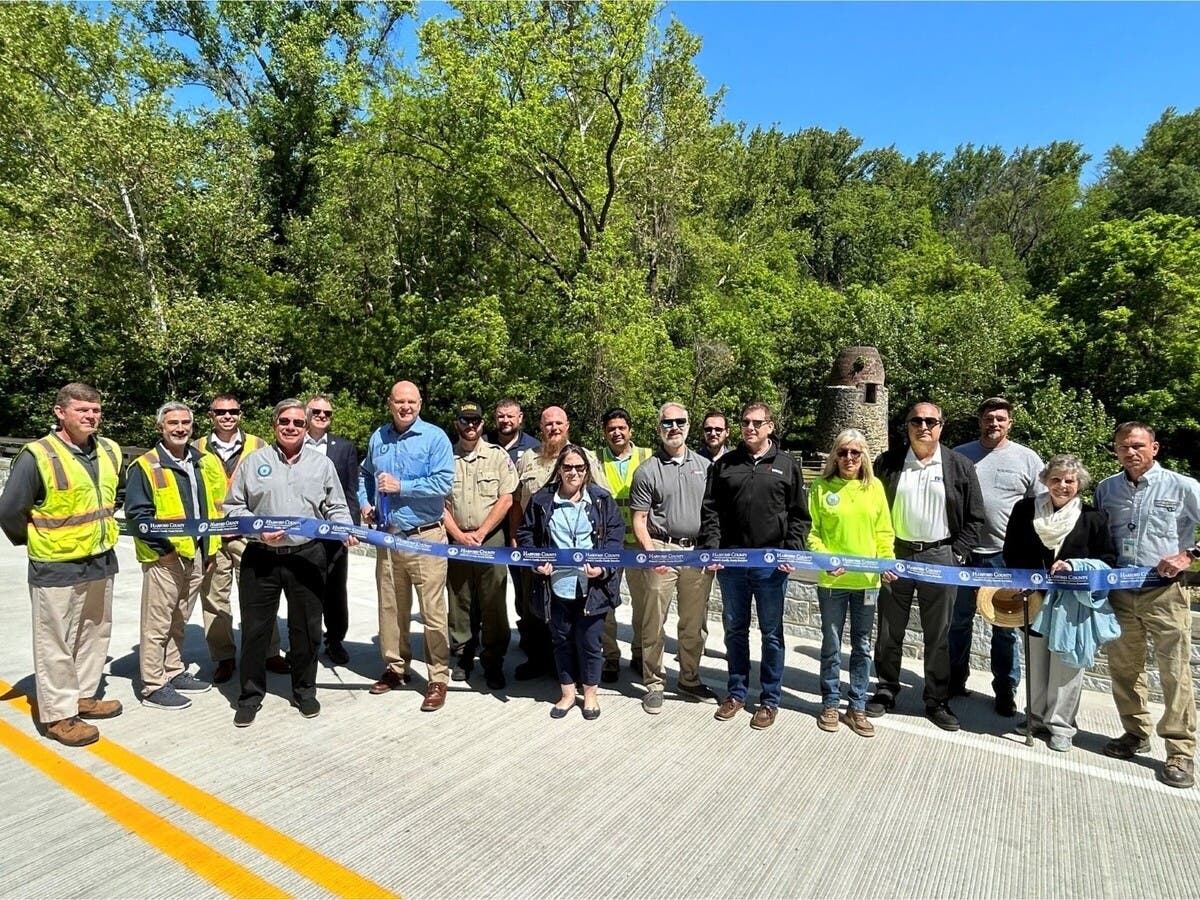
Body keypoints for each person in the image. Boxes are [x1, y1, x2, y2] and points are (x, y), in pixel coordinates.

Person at [0, 383, 123, 746]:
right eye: (82, 410)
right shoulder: (37, 455)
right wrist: (35, 541)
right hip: (56, 565)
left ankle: (83, 697)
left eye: (96, 410)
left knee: (93, 633)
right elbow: (9, 511)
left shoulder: (110, 451)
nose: (90, 416)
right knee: (55, 641)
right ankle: (58, 715)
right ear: (60, 412)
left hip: (101, 559)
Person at [224, 399, 356, 726]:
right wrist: (258, 531)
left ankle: (305, 690)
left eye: (298, 422)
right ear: (275, 424)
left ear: (307, 425)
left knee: (307, 630)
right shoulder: (254, 462)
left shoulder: (320, 464)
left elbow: (336, 506)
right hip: (261, 557)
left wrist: (344, 529)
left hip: (307, 556)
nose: (291, 427)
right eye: (285, 421)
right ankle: (250, 696)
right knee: (256, 630)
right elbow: (232, 509)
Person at [1095, 422, 1200, 789]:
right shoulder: (1106, 489)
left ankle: (1180, 751)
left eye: (1138, 445)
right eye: (1123, 447)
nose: (1130, 452)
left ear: (1155, 448)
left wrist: (1189, 555)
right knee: (1124, 667)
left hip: (1166, 592)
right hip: (1122, 591)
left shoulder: (1184, 486)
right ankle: (1135, 732)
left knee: (1174, 671)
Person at [868, 402, 985, 732]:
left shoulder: (959, 465)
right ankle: (886, 689)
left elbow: (975, 518)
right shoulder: (888, 463)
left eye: (930, 421)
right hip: (897, 555)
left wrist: (957, 554)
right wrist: (881, 553)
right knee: (890, 630)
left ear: (941, 426)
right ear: (906, 426)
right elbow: (874, 508)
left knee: (939, 635)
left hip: (939, 558)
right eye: (916, 420)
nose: (924, 426)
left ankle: (936, 700)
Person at [698, 401, 810, 730]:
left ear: (770, 427)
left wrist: (791, 551)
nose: (750, 428)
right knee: (734, 631)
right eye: (745, 422)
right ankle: (736, 693)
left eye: (757, 423)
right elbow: (711, 511)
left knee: (771, 634)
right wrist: (713, 549)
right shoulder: (725, 464)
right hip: (732, 565)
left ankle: (770, 699)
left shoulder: (787, 465)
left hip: (770, 566)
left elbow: (799, 517)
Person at [1002, 454, 1117, 752]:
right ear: (1045, 480)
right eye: (1056, 479)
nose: (1062, 485)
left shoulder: (1093, 518)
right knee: (1036, 661)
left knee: (1067, 666)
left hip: (1071, 605)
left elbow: (1107, 561)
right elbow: (1011, 551)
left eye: (1069, 480)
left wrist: (1075, 566)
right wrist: (1023, 581)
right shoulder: (1026, 509)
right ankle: (1036, 717)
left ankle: (1062, 725)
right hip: (1034, 598)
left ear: (1079, 484)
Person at [359, 380, 455, 712]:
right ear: (390, 403)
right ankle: (396, 668)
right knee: (391, 608)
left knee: (432, 612)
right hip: (387, 537)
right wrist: (364, 503)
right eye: (400, 401)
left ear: (420, 403)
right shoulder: (378, 438)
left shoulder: (435, 437)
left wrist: (404, 486)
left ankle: (438, 676)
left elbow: (444, 481)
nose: (406, 407)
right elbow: (365, 475)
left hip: (426, 537)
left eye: (411, 402)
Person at [125, 402, 227, 710]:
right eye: (173, 423)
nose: (180, 428)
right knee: (157, 622)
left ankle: (173, 669)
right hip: (165, 557)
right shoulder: (145, 466)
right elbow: (138, 516)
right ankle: (154, 685)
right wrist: (164, 552)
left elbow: (210, 508)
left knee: (180, 617)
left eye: (185, 422)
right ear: (161, 427)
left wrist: (209, 548)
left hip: (196, 552)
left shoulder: (200, 461)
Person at [950, 397, 1044, 715]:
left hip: (1004, 558)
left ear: (1010, 423)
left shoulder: (1027, 459)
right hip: (964, 553)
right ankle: (954, 680)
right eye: (989, 417)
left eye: (1001, 419)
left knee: (1004, 628)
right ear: (980, 421)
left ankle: (1005, 689)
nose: (995, 423)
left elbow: (1040, 509)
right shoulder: (959, 455)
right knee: (958, 622)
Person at [517, 444, 624, 720]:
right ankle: (566, 693)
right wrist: (536, 561)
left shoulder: (601, 500)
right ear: (559, 470)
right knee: (561, 640)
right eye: (567, 467)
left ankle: (590, 694)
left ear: (587, 471)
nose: (573, 472)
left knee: (590, 642)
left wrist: (601, 567)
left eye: (579, 467)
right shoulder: (542, 501)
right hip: (556, 586)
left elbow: (614, 536)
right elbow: (526, 533)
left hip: (592, 587)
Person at [806, 429, 897, 738]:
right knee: (831, 645)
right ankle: (830, 702)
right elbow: (813, 533)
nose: (848, 458)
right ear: (835, 455)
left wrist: (886, 561)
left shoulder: (875, 489)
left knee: (861, 647)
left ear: (864, 457)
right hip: (832, 582)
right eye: (842, 452)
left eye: (855, 453)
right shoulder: (821, 487)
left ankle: (856, 706)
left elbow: (884, 532)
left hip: (867, 583)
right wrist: (824, 559)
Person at [629, 402, 717, 714]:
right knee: (654, 622)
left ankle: (690, 678)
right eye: (667, 423)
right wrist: (651, 555)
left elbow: (714, 515)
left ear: (689, 426)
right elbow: (638, 519)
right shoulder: (647, 471)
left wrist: (712, 549)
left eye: (680, 422)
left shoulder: (706, 467)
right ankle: (653, 683)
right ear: (659, 429)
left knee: (694, 624)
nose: (674, 427)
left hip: (696, 553)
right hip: (660, 548)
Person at [509, 406, 607, 680]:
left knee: (571, 609)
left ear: (568, 426)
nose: (554, 428)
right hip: (535, 547)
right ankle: (537, 660)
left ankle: (569, 667)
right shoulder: (528, 459)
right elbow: (516, 502)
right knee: (533, 608)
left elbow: (603, 497)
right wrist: (515, 537)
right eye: (548, 423)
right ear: (541, 427)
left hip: (574, 549)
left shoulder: (584, 457)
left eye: (559, 423)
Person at [195, 394, 285, 683]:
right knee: (214, 599)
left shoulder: (258, 445)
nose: (227, 416)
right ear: (211, 415)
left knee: (259, 597)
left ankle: (270, 652)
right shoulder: (196, 448)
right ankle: (223, 657)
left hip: (249, 534)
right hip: (212, 536)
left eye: (233, 411)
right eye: (220, 412)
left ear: (240, 414)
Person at [444, 401, 517, 690]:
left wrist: (483, 531)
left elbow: (507, 498)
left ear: (483, 425)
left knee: (493, 600)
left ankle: (493, 659)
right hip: (455, 536)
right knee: (459, 597)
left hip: (492, 538)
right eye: (465, 420)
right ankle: (463, 654)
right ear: (457, 424)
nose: (470, 426)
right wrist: (459, 535)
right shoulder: (444, 457)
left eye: (475, 421)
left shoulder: (497, 457)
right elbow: (439, 502)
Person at [597, 407, 654, 682]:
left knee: (644, 603)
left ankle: (641, 651)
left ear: (630, 429)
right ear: (605, 433)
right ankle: (609, 656)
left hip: (639, 544)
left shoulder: (648, 456)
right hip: (608, 543)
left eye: (621, 427)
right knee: (606, 601)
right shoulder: (595, 459)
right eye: (611, 429)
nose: (616, 432)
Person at [304, 394, 360, 666]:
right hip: (301, 531)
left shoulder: (344, 448)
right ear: (307, 413)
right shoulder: (292, 444)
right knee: (303, 588)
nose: (322, 416)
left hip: (335, 530)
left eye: (327, 413)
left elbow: (351, 491)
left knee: (336, 590)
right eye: (317, 411)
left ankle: (335, 640)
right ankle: (305, 642)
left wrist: (352, 528)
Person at [490, 398, 540, 465]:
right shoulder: (483, 444)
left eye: (510, 416)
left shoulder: (533, 447)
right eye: (501, 416)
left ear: (520, 417)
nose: (505, 420)